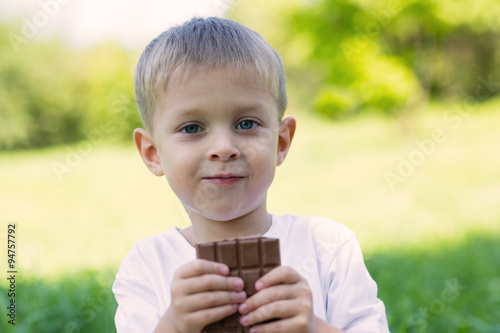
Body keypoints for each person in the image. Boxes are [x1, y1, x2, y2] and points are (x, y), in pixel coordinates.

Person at [112, 16, 389, 333]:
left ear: (281, 142)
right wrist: (173, 326)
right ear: (152, 153)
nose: (223, 148)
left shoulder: (329, 249)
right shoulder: (146, 266)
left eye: (246, 123)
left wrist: (312, 327)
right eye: (192, 128)